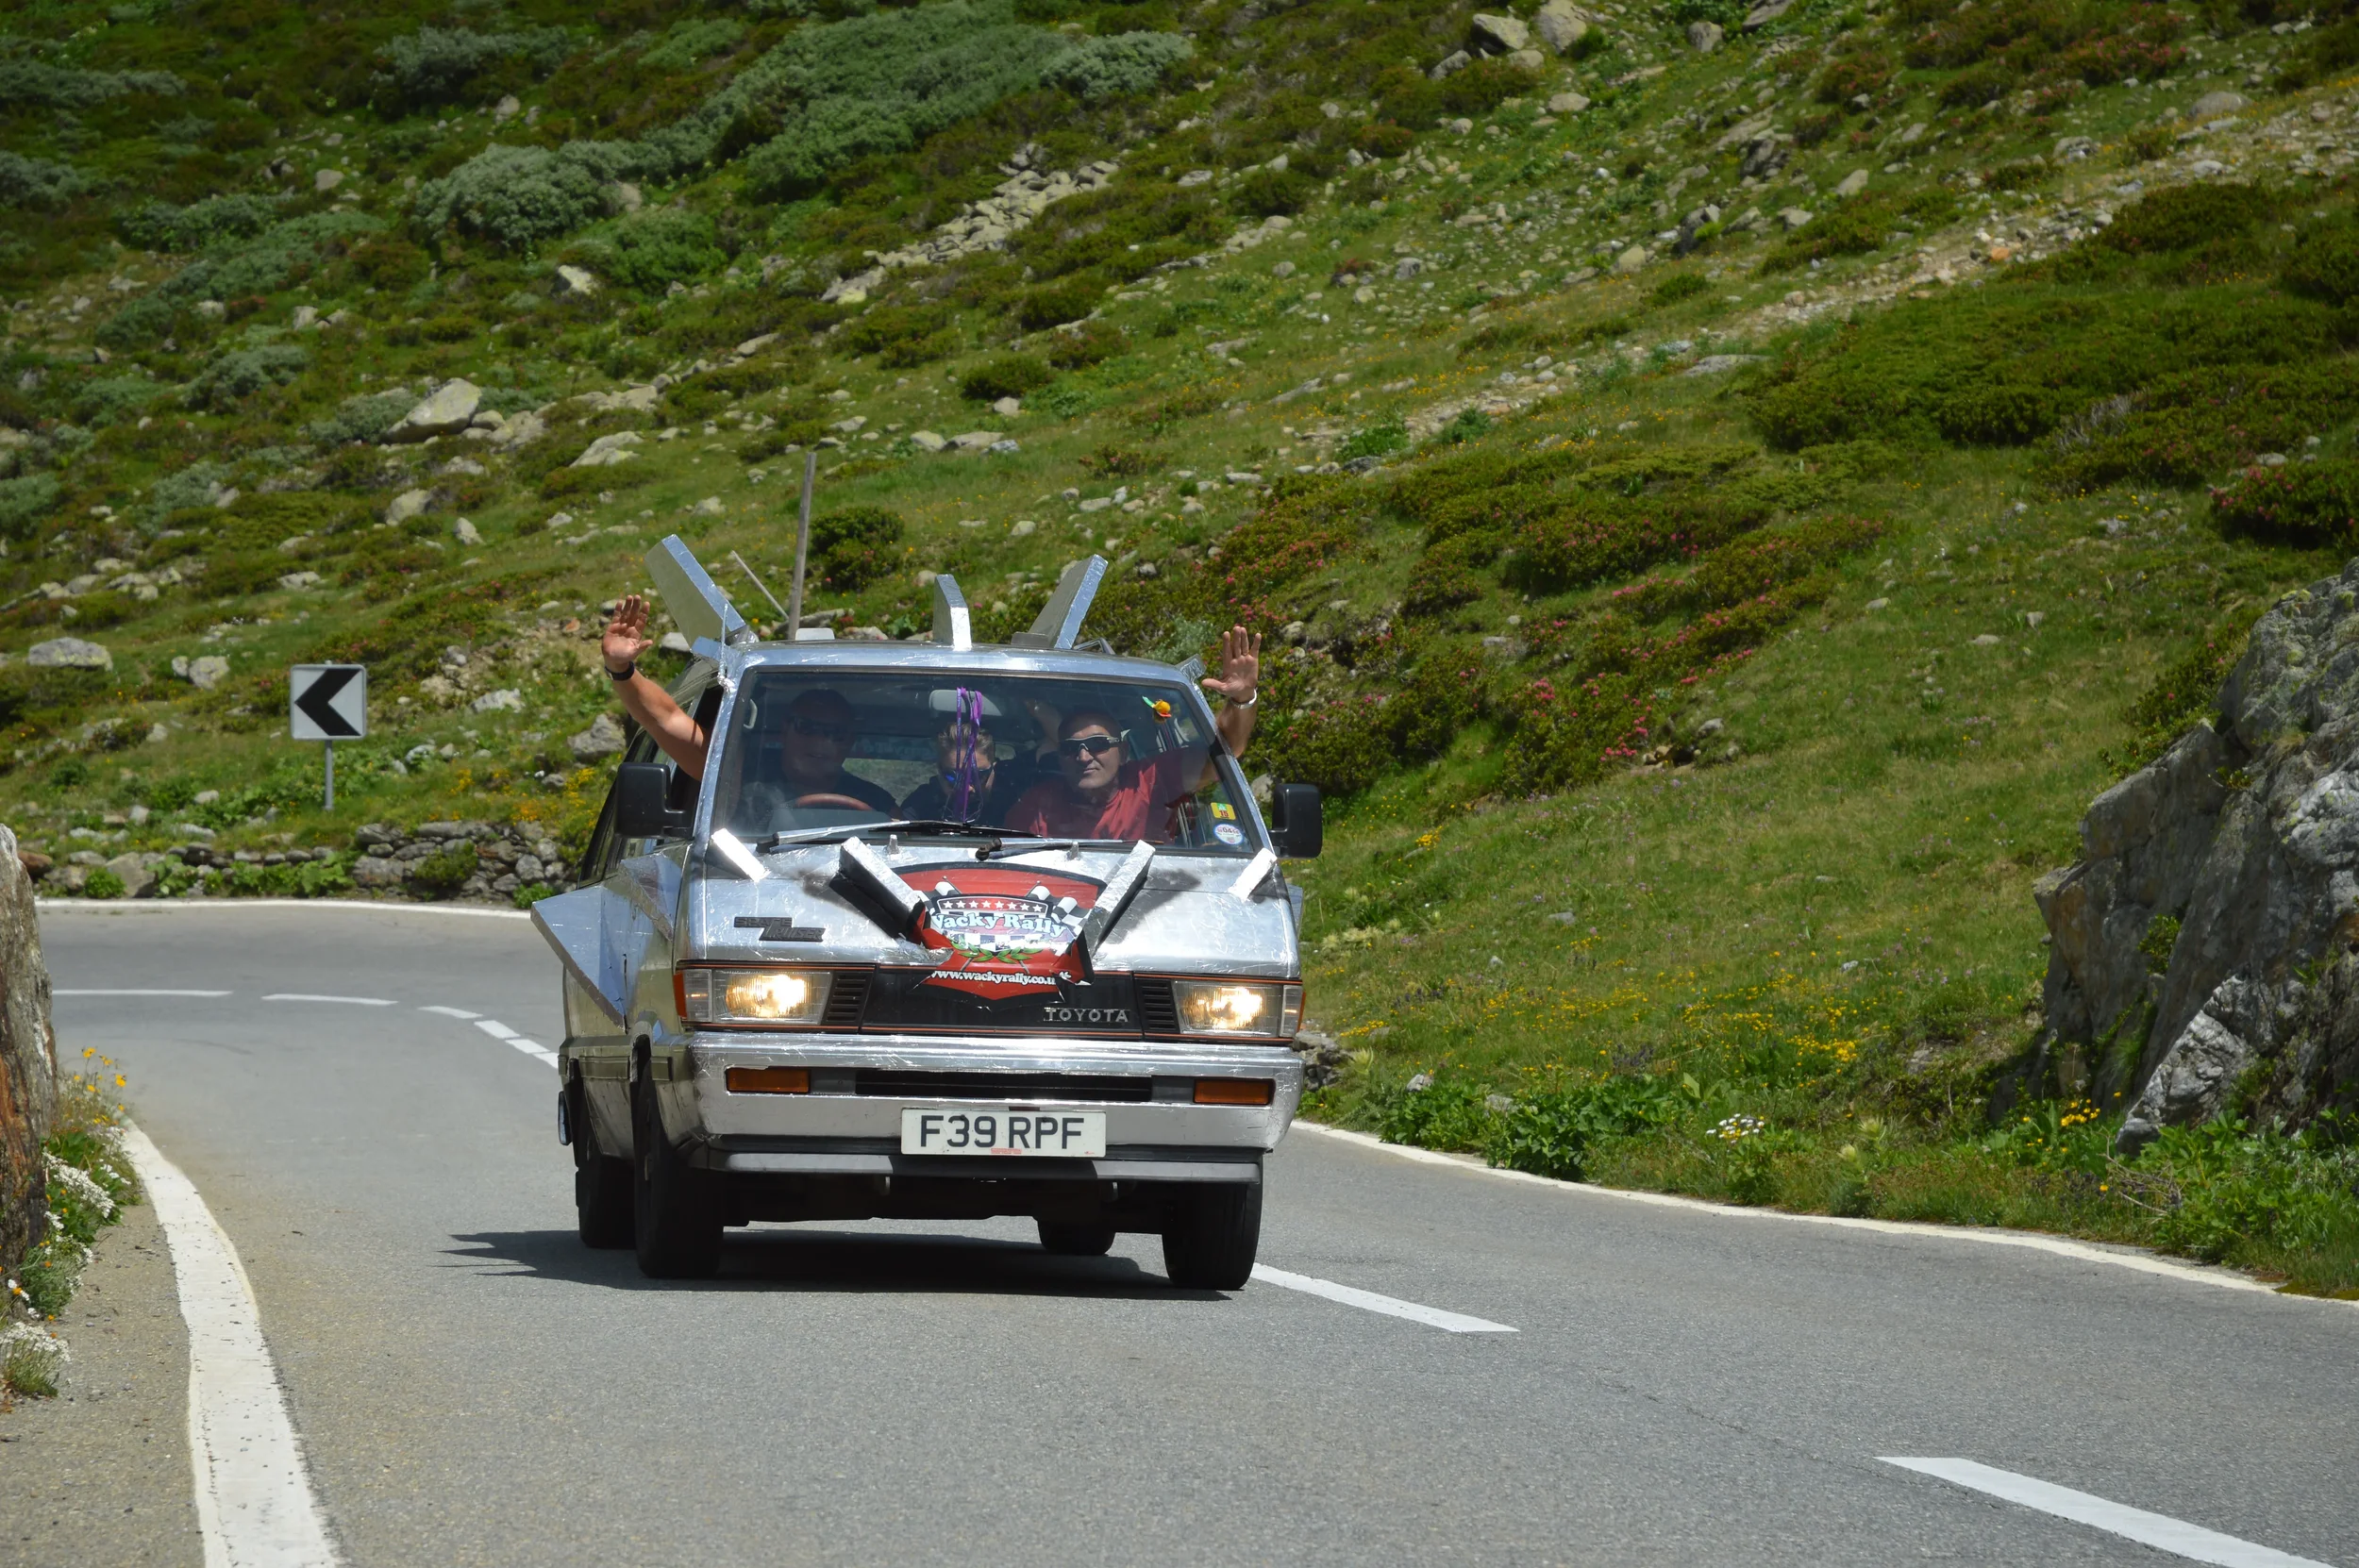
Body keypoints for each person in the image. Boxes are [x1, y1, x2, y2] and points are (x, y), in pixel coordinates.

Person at [599, 593, 895, 818]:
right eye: (807, 727)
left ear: (849, 742)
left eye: (834, 733)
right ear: (785, 730)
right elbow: (666, 719)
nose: (820, 741)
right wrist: (621, 669)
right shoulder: (736, 774)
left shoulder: (877, 803)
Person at [1004, 626, 1261, 842]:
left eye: (1098, 744)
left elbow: (1224, 754)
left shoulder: (1149, 781)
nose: (1083, 757)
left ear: (1124, 751)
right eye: (1071, 748)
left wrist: (1242, 699)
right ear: (1060, 758)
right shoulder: (1037, 806)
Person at [898, 700, 1036, 826]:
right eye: (954, 777)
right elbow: (898, 835)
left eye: (977, 777)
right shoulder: (921, 805)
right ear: (939, 771)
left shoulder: (1016, 802)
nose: (967, 788)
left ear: (994, 769)